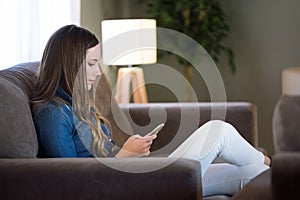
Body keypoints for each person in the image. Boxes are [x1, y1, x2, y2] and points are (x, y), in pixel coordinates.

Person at [31, 25, 270, 196]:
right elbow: (69, 180)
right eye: (92, 64)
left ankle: (269, 166)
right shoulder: (52, 114)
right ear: (69, 63)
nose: (97, 72)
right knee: (218, 131)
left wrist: (128, 153)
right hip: (126, 185)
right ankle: (271, 161)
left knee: (252, 172)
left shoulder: (75, 105)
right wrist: (125, 155)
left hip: (132, 174)